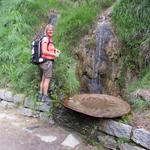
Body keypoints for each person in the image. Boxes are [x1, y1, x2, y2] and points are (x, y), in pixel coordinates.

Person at [38, 24, 61, 104]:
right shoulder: (46, 39)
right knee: (47, 79)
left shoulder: (49, 39)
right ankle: (45, 97)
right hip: (47, 62)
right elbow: (44, 51)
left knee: (44, 78)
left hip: (45, 62)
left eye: (52, 30)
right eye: (49, 30)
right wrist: (54, 55)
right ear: (46, 31)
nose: (51, 31)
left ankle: (40, 95)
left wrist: (55, 49)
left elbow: (49, 48)